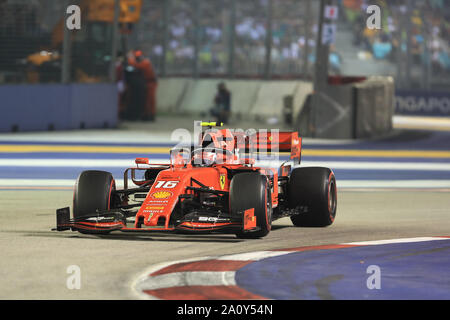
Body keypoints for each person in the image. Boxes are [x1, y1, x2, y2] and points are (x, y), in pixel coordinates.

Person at [128, 50, 158, 121]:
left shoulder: (146, 62)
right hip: (146, 82)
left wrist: (130, 59)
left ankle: (150, 115)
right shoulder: (144, 62)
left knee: (149, 100)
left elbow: (137, 65)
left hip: (150, 83)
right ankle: (147, 114)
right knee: (146, 100)